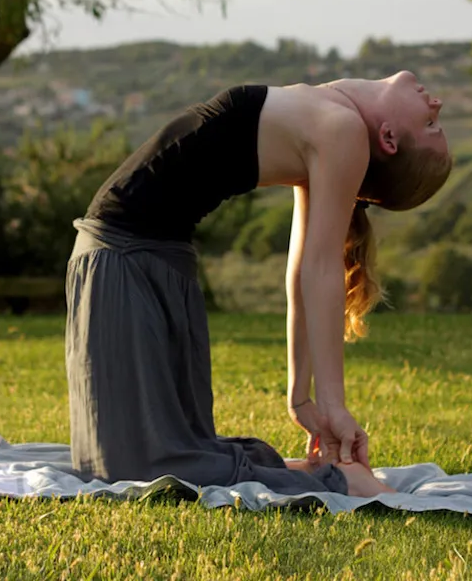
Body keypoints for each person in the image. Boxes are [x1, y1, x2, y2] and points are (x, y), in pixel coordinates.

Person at [65, 70, 451, 498]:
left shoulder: (341, 128)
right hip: (144, 261)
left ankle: (340, 481)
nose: (436, 106)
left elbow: (319, 269)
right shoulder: (333, 115)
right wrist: (300, 399)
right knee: (149, 459)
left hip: (128, 260)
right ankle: (318, 475)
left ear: (389, 139)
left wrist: (332, 406)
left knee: (134, 467)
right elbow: (303, 270)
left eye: (431, 125)